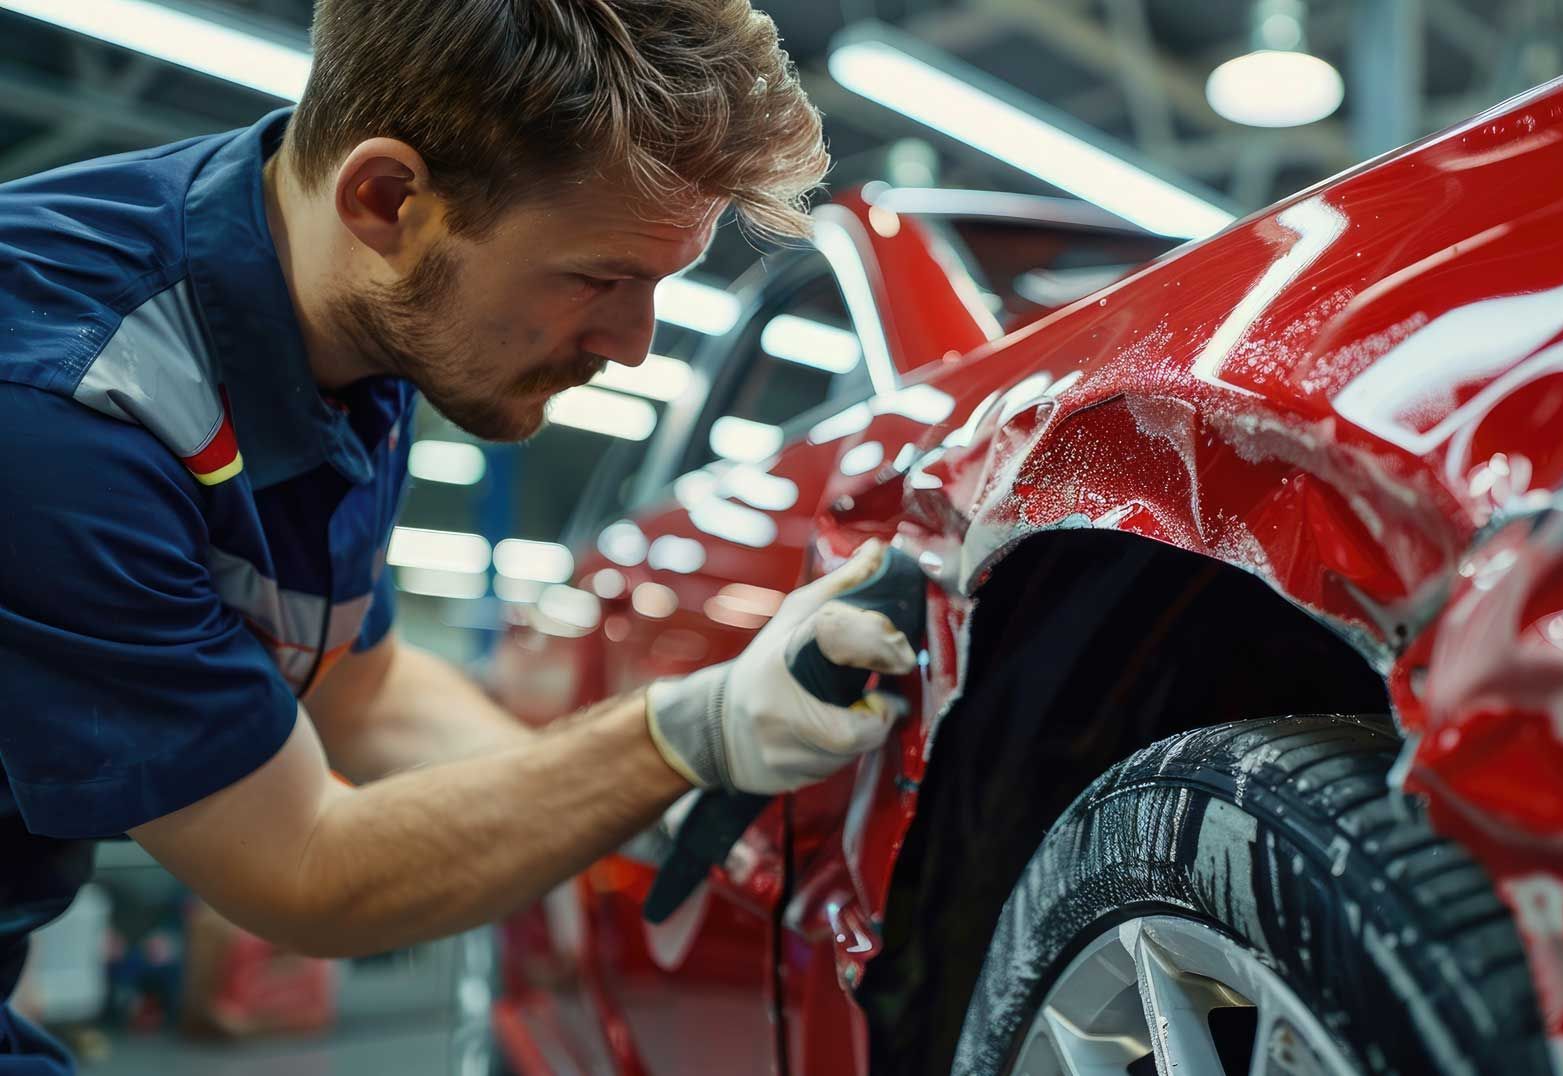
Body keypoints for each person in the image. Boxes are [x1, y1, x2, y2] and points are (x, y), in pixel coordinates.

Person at [0, 2, 913, 1070]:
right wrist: (683, 732)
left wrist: (637, 803)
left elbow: (365, 692)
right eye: (599, 277)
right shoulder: (64, 405)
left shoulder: (345, 324)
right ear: (387, 199)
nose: (630, 345)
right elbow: (305, 867)